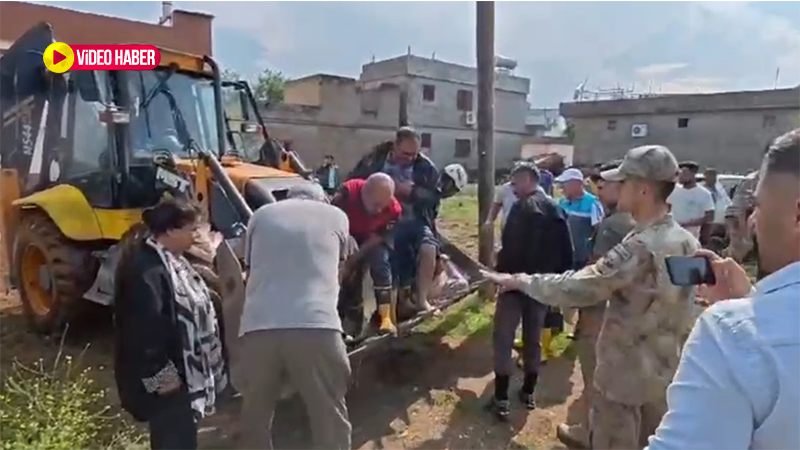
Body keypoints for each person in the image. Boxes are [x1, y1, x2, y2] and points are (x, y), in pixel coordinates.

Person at [482, 145, 700, 449]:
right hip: (663, 371)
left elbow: (584, 286)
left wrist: (521, 281)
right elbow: (689, 301)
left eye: (622, 182)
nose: (610, 187)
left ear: (643, 190)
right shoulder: (686, 240)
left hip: (623, 374)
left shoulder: (641, 245)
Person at [646, 128, 800, 450]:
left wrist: (744, 318)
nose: (753, 222)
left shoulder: (733, 336)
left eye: (758, 206)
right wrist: (752, 304)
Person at [238, 183, 353, 450]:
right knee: (329, 412)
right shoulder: (336, 216)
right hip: (316, 323)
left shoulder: (261, 215)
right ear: (321, 199)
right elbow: (341, 264)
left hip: (259, 325)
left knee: (256, 413)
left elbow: (249, 264)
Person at [113, 198, 227, 450]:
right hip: (167, 381)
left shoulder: (174, 262)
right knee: (172, 440)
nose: (196, 236)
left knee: (183, 437)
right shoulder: (146, 271)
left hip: (183, 375)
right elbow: (140, 334)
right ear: (172, 230)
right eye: (192, 230)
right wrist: (162, 378)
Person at [557, 160, 636, 448]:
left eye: (607, 186)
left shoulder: (614, 224)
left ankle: (591, 434)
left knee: (595, 378)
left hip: (602, 313)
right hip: (631, 314)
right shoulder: (647, 224)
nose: (600, 189)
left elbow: (596, 276)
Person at [487, 162, 574, 421]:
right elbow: (566, 251)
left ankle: (501, 397)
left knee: (503, 336)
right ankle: (528, 392)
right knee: (533, 337)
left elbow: (511, 249)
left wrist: (502, 276)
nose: (513, 189)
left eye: (515, 183)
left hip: (515, 282)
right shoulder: (556, 209)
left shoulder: (521, 208)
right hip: (543, 285)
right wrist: (556, 282)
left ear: (527, 180)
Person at [348, 127, 441, 314]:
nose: (410, 158)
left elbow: (434, 196)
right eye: (406, 153)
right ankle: (376, 308)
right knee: (384, 255)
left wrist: (412, 192)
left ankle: (421, 300)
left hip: (414, 218)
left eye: (414, 154)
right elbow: (355, 182)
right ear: (395, 146)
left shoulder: (425, 167)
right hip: (379, 220)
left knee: (428, 246)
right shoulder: (374, 160)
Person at [331, 173, 402, 335]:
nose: (379, 210)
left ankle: (385, 318)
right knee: (347, 277)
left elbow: (380, 236)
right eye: (376, 204)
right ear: (364, 192)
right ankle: (341, 319)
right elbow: (329, 224)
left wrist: (357, 257)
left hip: (370, 237)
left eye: (383, 206)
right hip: (344, 235)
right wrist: (346, 261)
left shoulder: (393, 209)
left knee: (381, 261)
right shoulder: (345, 195)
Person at [554, 167, 605, 269]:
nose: (562, 189)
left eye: (565, 185)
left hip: (583, 260)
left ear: (576, 184)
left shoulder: (592, 203)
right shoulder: (562, 202)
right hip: (563, 257)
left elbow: (599, 231)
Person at [667, 161, 714, 240]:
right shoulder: (673, 191)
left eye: (684, 173)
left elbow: (709, 216)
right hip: (672, 234)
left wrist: (689, 223)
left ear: (693, 175)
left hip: (692, 236)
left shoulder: (704, 194)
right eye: (679, 173)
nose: (681, 176)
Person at [700, 167, 732, 245]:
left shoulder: (719, 189)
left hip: (719, 222)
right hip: (705, 223)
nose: (713, 178)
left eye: (714, 176)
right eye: (710, 176)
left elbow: (727, 202)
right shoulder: (701, 190)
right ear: (705, 177)